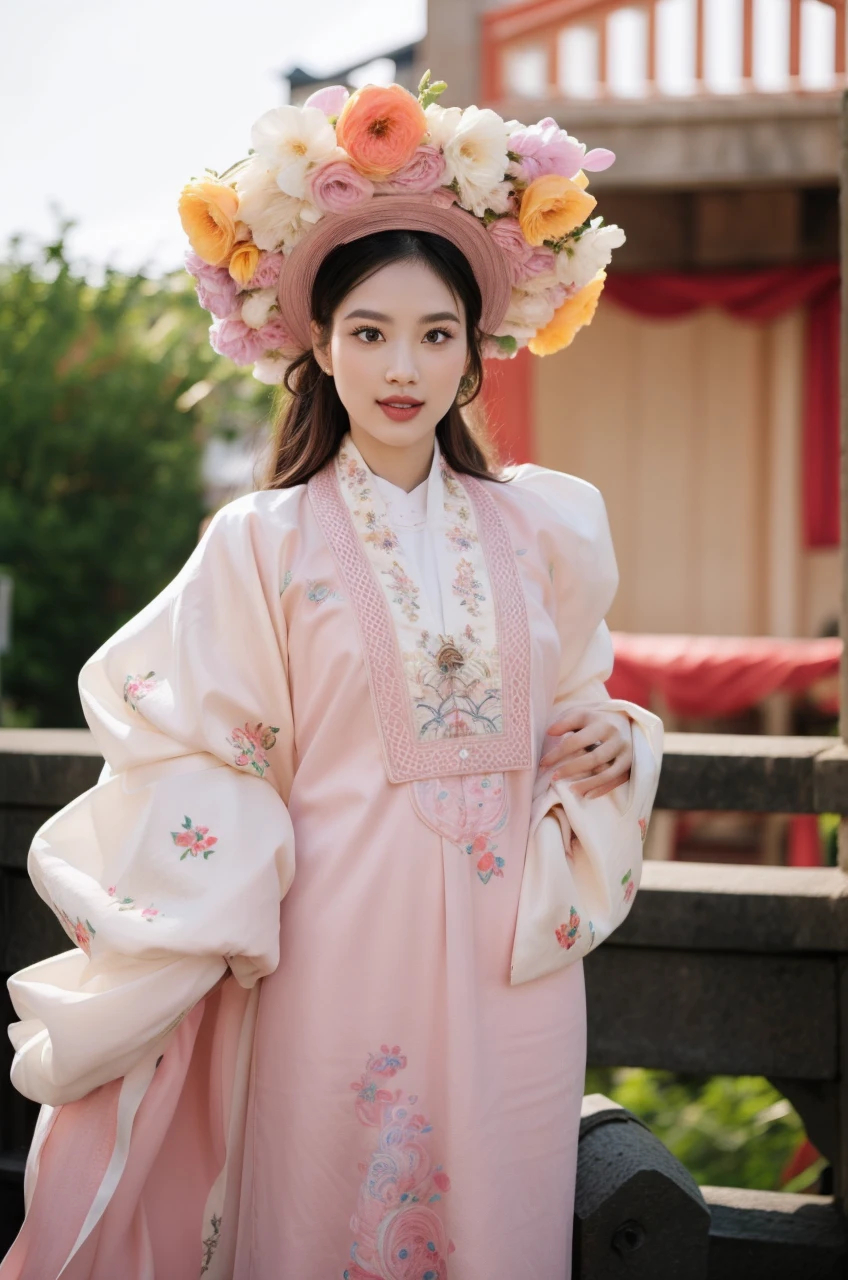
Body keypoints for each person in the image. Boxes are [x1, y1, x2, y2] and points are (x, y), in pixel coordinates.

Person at [0, 75, 662, 1279]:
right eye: (367, 330)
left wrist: (615, 739)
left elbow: (576, 703)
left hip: (511, 975)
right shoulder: (261, 544)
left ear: (474, 353)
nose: (399, 365)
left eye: (432, 332)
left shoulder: (546, 533)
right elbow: (188, 741)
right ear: (318, 344)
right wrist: (220, 884)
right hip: (327, 962)